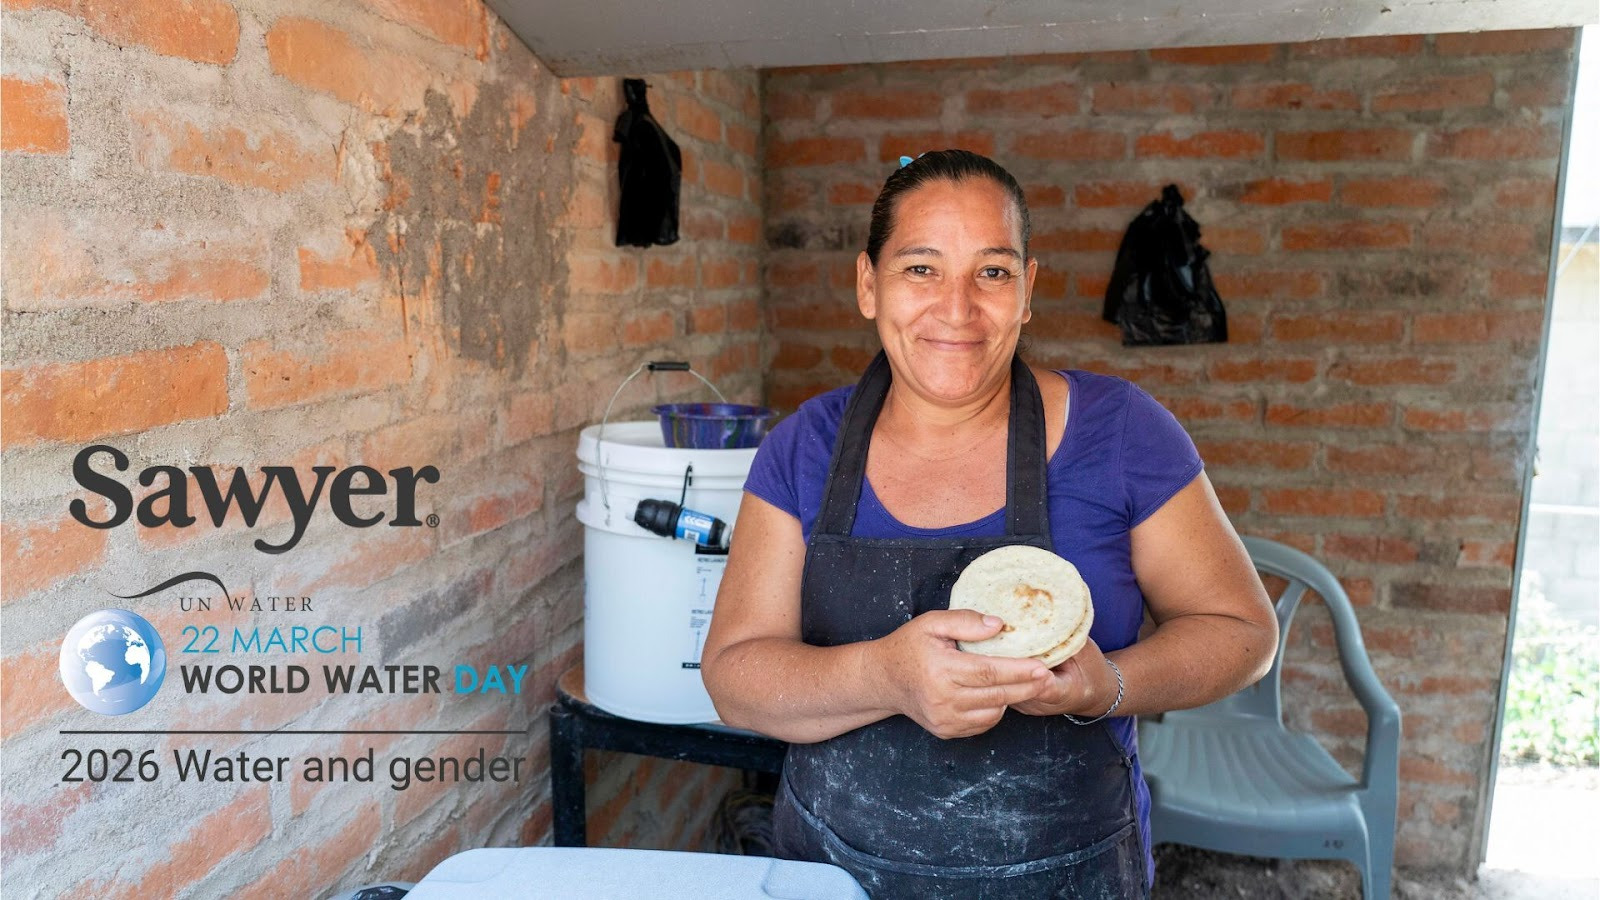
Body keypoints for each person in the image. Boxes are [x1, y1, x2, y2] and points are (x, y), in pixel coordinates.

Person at [700, 149, 1277, 899]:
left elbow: (1242, 632)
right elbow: (734, 678)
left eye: (993, 272)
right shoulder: (803, 449)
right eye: (921, 269)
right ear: (868, 285)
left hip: (1069, 876)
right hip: (835, 874)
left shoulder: (1123, 433)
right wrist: (887, 677)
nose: (958, 307)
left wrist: (1108, 685)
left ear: (1028, 290)